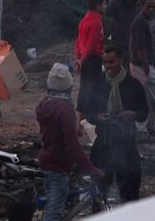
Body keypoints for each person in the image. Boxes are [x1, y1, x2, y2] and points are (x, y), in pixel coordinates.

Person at [36, 63, 103, 221]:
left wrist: (72, 129)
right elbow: (72, 147)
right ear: (69, 86)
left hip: (46, 160)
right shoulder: (64, 109)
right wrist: (91, 168)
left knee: (56, 204)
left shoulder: (45, 103)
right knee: (54, 213)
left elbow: (53, 129)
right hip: (57, 165)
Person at [85, 46, 148, 203]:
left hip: (126, 144)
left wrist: (133, 115)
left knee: (130, 192)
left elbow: (144, 112)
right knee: (99, 192)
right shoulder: (98, 84)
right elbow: (89, 113)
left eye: (111, 62)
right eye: (105, 62)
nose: (107, 66)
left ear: (122, 60)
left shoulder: (133, 85)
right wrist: (98, 117)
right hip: (103, 143)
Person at [129, 0, 155, 136]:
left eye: (153, 6)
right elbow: (139, 46)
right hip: (142, 66)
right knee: (151, 100)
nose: (150, 9)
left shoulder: (143, 21)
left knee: (148, 99)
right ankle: (147, 129)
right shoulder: (140, 22)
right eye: (148, 6)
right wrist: (146, 65)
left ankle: (148, 128)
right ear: (141, 6)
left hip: (141, 64)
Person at [74, 0, 107, 121]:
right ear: (98, 6)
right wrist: (81, 60)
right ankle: (90, 119)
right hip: (93, 59)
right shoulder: (96, 22)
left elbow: (78, 41)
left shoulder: (84, 20)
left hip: (85, 59)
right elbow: (92, 45)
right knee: (95, 90)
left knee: (84, 88)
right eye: (104, 4)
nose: (105, 6)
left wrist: (78, 58)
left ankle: (81, 121)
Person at [106, 0, 140, 66]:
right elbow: (108, 12)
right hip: (118, 45)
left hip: (133, 46)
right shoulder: (118, 3)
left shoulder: (139, 7)